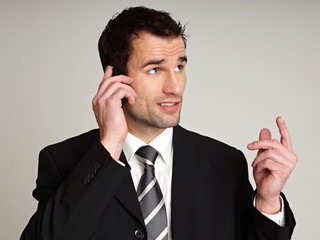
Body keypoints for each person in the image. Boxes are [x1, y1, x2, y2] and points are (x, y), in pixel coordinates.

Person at [21, 6, 297, 240]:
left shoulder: (225, 162)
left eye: (179, 66)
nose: (174, 86)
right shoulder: (62, 160)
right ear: (115, 79)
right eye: (155, 69)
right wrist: (108, 146)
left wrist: (267, 201)